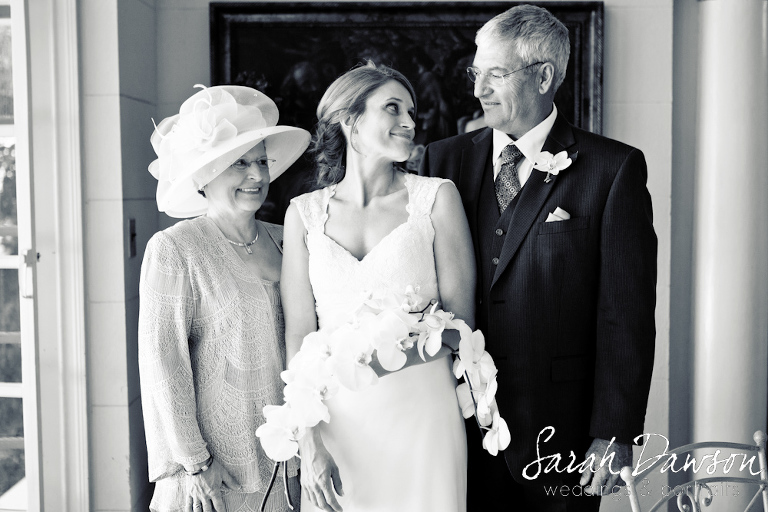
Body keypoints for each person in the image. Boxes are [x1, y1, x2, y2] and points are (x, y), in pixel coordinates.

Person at [420, 5, 657, 511]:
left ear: (544, 76)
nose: (478, 89)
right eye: (476, 72)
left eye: (496, 74)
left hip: (560, 433)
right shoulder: (444, 160)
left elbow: (626, 313)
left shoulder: (613, 169)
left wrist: (614, 432)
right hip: (453, 427)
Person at [281, 62, 475, 512]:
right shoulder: (303, 214)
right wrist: (307, 440)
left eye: (411, 112)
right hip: (337, 424)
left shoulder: (436, 198)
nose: (409, 122)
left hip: (422, 416)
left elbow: (461, 322)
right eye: (392, 108)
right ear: (350, 120)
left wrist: (385, 360)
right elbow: (298, 336)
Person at [139, 85, 310, 512]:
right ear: (203, 175)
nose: (257, 175)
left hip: (289, 461)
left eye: (261, 161)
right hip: (216, 473)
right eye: (239, 163)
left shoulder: (288, 238)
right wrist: (195, 463)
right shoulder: (176, 248)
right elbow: (163, 362)